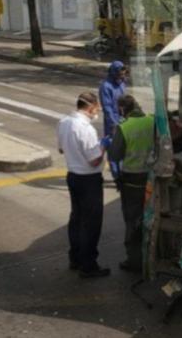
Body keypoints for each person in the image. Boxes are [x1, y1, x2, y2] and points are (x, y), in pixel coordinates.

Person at [56, 91, 110, 278]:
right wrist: (103, 145)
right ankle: (88, 265)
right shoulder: (86, 129)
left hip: (73, 176)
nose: (98, 112)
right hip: (89, 180)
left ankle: (75, 258)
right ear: (90, 107)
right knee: (91, 224)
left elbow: (61, 149)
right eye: (97, 108)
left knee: (77, 219)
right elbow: (94, 160)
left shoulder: (63, 122)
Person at [107, 95, 154, 274]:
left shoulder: (124, 127)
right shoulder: (152, 121)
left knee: (132, 220)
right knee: (149, 218)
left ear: (122, 110)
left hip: (132, 182)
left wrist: (111, 142)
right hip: (151, 178)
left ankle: (135, 261)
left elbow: (115, 156)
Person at [98, 61, 127, 181]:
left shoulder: (122, 83)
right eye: (121, 73)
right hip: (112, 122)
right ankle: (117, 176)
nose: (123, 76)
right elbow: (107, 107)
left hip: (124, 119)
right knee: (113, 150)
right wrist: (114, 124)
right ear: (114, 72)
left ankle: (123, 172)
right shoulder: (105, 86)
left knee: (124, 148)